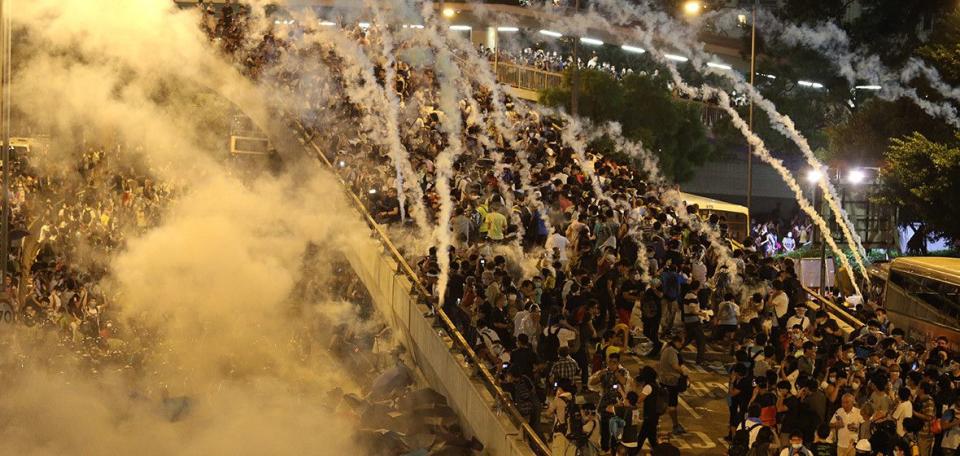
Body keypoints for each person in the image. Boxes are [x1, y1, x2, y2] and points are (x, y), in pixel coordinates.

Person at [659, 335, 689, 435]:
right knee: (671, 405)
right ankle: (675, 426)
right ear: (677, 342)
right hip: (670, 381)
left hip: (665, 379)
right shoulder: (671, 351)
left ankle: (675, 425)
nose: (682, 345)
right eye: (681, 343)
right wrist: (684, 373)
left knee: (665, 403)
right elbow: (675, 366)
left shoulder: (666, 348)